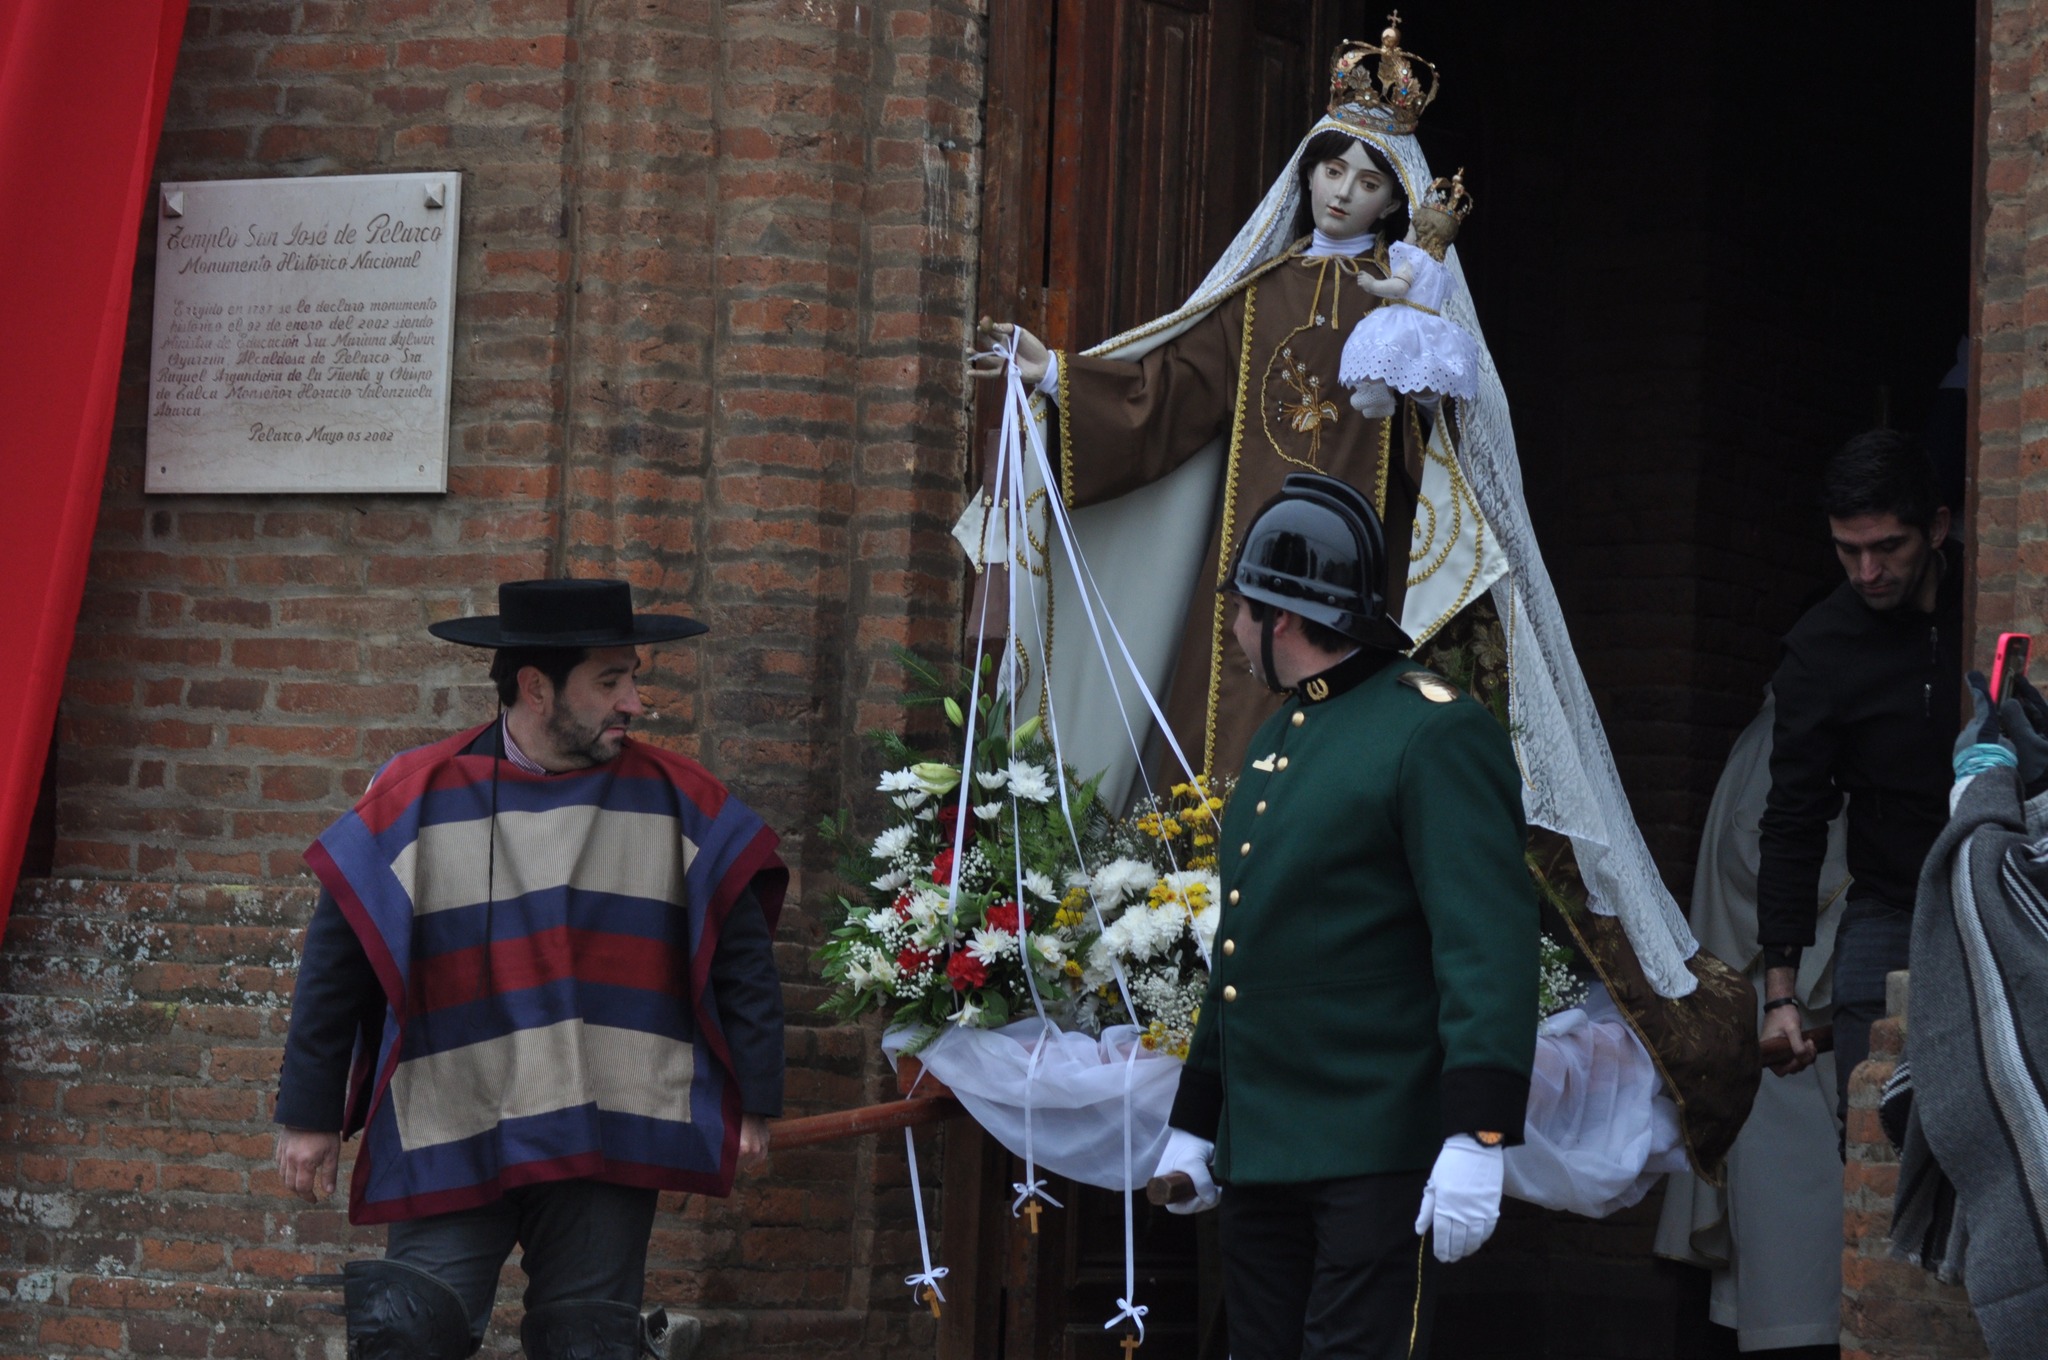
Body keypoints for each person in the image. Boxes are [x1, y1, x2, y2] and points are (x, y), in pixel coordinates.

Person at [272, 578, 787, 1360]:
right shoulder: (415, 797)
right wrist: (309, 1115)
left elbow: (743, 958)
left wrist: (754, 1093)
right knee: (412, 1333)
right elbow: (336, 962)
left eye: (634, 677)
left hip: (606, 1122)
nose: (635, 702)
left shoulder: (683, 803)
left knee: (590, 1343)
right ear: (537, 687)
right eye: (611, 680)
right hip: (455, 1114)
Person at [1152, 473, 1537, 1359]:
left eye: (1240, 611)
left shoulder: (1432, 732)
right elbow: (1245, 953)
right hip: (1265, 1152)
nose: (1236, 631)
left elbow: (1486, 942)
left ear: (1277, 617)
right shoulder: (1281, 738)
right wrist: (1196, 1119)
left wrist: (1478, 1130)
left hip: (1375, 1148)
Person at [1756, 430, 1961, 1128]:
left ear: (1936, 528)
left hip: (2013, 887)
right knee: (1875, 1132)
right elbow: (1793, 816)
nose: (1868, 571)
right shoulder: (1821, 649)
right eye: (1849, 551)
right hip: (1891, 905)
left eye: (1887, 548)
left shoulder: (1999, 600)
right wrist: (1780, 992)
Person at [1339, 169, 1481, 418]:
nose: (1407, 234)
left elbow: (1399, 286)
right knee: (1419, 365)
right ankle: (1403, 395)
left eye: (1411, 229)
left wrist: (1373, 285)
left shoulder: (1413, 258)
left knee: (1375, 344)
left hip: (1407, 318)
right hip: (1431, 326)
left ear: (1419, 233)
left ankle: (1377, 391)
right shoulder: (1440, 269)